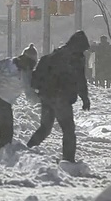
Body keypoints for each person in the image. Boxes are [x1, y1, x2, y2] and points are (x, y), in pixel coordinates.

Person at [27, 31, 91, 163]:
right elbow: (80, 79)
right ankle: (68, 160)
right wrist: (85, 98)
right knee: (68, 130)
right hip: (61, 98)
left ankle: (28, 149)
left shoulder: (57, 53)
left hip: (46, 96)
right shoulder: (75, 57)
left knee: (45, 127)